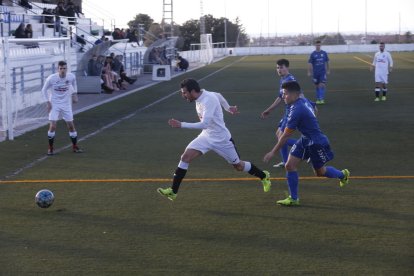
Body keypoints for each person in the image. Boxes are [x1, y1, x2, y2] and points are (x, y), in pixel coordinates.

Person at [157, 78, 271, 201]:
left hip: (221, 139)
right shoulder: (203, 96)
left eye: (184, 92)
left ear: (193, 91)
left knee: (238, 166)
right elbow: (219, 95)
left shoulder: (208, 100)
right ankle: (173, 192)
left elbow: (204, 123)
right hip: (206, 136)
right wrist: (228, 108)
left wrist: (181, 124)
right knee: (185, 157)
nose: (183, 95)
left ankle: (264, 176)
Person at [263, 81, 349, 206]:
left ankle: (342, 174)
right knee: (289, 166)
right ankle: (294, 198)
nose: (283, 97)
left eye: (285, 94)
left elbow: (286, 136)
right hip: (305, 139)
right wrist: (311, 120)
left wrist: (273, 152)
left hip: (316, 143)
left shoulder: (297, 110)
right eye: (282, 94)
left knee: (320, 172)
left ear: (294, 94)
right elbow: (314, 108)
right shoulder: (302, 100)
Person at [261, 58, 297, 169]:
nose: (279, 70)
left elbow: (299, 95)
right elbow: (280, 97)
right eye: (277, 68)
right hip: (288, 111)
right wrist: (269, 110)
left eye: (281, 67)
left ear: (287, 68)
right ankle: (286, 161)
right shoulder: (283, 80)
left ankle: (307, 145)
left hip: (292, 112)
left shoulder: (289, 80)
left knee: (282, 138)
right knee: (279, 134)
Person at [42, 60, 83, 155]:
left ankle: (75, 147)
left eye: (64, 68)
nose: (63, 70)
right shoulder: (51, 78)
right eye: (61, 68)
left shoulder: (71, 76)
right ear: (58, 69)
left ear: (67, 68)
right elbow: (43, 90)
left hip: (66, 104)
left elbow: (74, 84)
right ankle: (50, 148)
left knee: (71, 126)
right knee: (53, 126)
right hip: (54, 104)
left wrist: (74, 94)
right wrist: (47, 102)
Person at [307, 40, 330, 104]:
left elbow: (327, 62)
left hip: (322, 72)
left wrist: (328, 70)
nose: (318, 46)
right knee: (317, 86)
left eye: (319, 45)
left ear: (321, 45)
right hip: (315, 73)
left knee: (321, 85)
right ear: (315, 45)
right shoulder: (313, 54)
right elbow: (309, 63)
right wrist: (309, 71)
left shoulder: (324, 53)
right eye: (317, 45)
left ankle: (321, 99)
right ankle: (318, 99)